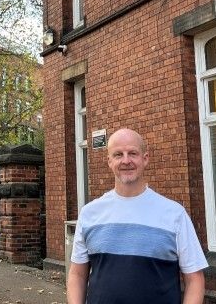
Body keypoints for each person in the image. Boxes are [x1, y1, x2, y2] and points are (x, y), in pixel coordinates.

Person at [67, 128, 208, 304]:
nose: (126, 161)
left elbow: (194, 279)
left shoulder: (174, 214)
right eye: (118, 155)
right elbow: (77, 274)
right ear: (109, 161)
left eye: (132, 153)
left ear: (145, 158)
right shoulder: (89, 213)